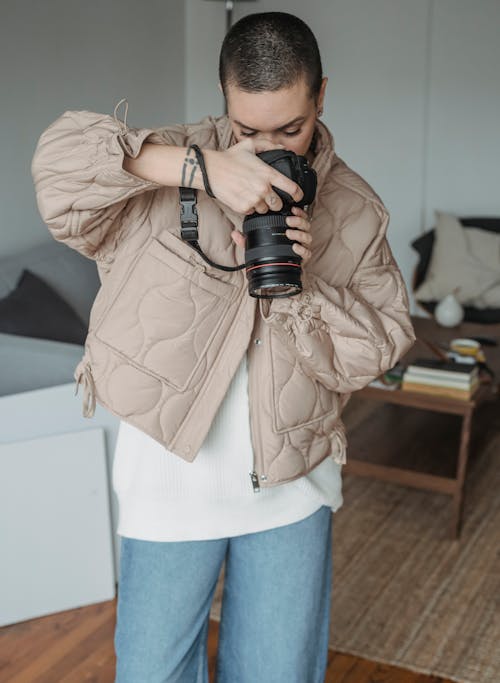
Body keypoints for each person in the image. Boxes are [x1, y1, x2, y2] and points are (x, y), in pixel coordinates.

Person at [31, 11, 416, 683]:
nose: (269, 149)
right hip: (167, 482)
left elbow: (379, 350)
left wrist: (305, 285)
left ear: (321, 94)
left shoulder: (352, 207)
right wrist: (197, 167)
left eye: (290, 128)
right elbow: (58, 171)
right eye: (247, 130)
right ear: (223, 101)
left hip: (291, 489)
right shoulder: (172, 158)